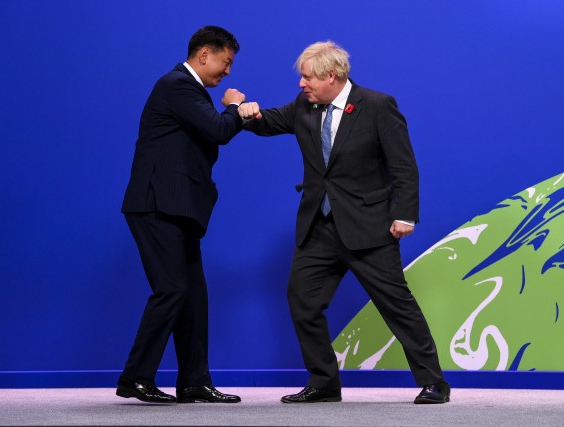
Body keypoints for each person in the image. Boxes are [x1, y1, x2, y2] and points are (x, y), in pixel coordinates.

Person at [238, 41, 450, 404]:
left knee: (397, 305)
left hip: (370, 228)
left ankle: (434, 383)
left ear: (331, 76)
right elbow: (267, 122)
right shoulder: (303, 107)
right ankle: (324, 382)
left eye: (307, 77)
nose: (302, 84)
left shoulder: (379, 106)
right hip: (318, 228)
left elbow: (403, 166)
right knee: (302, 301)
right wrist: (243, 111)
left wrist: (405, 214)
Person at [117, 26, 245, 404]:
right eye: (226, 62)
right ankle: (135, 378)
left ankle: (194, 381)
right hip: (157, 206)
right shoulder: (178, 85)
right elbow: (219, 130)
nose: (227, 73)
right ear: (204, 54)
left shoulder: (187, 91)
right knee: (172, 290)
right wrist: (236, 106)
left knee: (193, 297)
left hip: (179, 209)